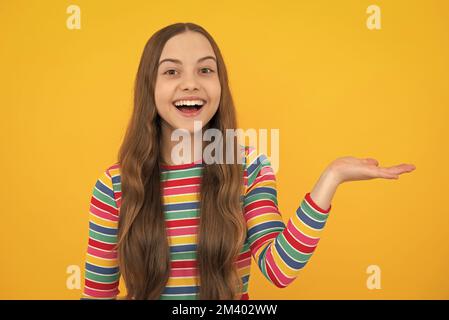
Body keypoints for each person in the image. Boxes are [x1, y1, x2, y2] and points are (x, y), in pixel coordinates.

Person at [81, 22, 416, 300]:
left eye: (205, 69)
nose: (191, 83)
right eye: (171, 71)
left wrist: (331, 178)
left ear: (220, 85)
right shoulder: (115, 185)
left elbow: (279, 269)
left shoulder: (250, 169)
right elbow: (98, 293)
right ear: (149, 87)